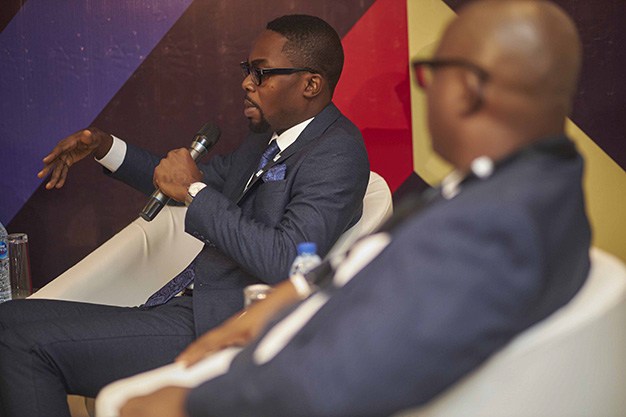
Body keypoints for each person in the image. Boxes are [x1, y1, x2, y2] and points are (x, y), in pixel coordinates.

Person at [100, 1, 592, 416]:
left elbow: (341, 375)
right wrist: (292, 293)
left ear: (466, 88)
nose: (421, 92)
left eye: (429, 73)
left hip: (278, 371)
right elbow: (378, 264)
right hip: (281, 325)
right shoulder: (533, 183)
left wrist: (195, 402)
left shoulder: (487, 230)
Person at [0, 14, 370, 417]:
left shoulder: (337, 152)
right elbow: (188, 182)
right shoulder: (266, 141)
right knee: (7, 320)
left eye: (261, 73)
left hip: (222, 329)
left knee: (20, 346)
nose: (247, 83)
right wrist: (106, 147)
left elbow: (287, 261)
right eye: (247, 70)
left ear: (311, 84)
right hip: (181, 308)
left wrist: (195, 190)